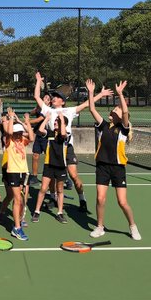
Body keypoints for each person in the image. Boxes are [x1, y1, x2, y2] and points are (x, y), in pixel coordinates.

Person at [33, 72, 112, 212]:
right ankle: (53, 198)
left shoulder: (69, 110)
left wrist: (99, 94)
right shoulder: (47, 110)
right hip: (52, 147)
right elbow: (36, 97)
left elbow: (87, 104)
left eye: (57, 97)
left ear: (62, 101)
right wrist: (38, 81)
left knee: (74, 175)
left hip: (66, 147)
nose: (53, 98)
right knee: (50, 178)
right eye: (54, 96)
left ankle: (82, 198)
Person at [86, 79, 141, 240]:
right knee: (100, 198)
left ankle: (132, 226)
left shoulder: (123, 129)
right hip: (102, 166)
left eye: (117, 108)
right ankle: (100, 226)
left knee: (122, 202)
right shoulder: (103, 125)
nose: (115, 109)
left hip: (118, 168)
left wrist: (120, 94)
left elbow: (124, 112)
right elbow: (91, 108)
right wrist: (91, 92)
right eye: (114, 108)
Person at [1, 108, 34, 240]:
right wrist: (10, 118)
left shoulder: (22, 140)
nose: (19, 134)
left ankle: (17, 222)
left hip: (23, 171)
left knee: (20, 199)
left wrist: (26, 122)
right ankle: (17, 228)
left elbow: (31, 137)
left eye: (20, 132)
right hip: (13, 171)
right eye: (17, 132)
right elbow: (8, 131)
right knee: (17, 199)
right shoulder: (9, 140)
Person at [31, 113, 69, 224]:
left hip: (61, 166)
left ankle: (60, 213)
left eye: (58, 121)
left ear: (64, 124)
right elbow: (40, 130)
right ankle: (37, 211)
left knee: (60, 190)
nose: (55, 122)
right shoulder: (50, 133)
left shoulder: (67, 134)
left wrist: (61, 118)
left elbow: (62, 133)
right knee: (43, 189)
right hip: (49, 165)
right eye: (55, 120)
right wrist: (47, 118)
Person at [29, 92, 51, 187]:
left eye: (47, 98)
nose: (44, 98)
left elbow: (38, 120)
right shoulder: (39, 107)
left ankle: (64, 177)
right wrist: (38, 106)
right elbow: (32, 113)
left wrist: (24, 122)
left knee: (50, 158)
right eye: (44, 97)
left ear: (49, 102)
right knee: (35, 155)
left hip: (47, 136)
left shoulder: (49, 110)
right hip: (38, 135)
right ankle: (34, 176)